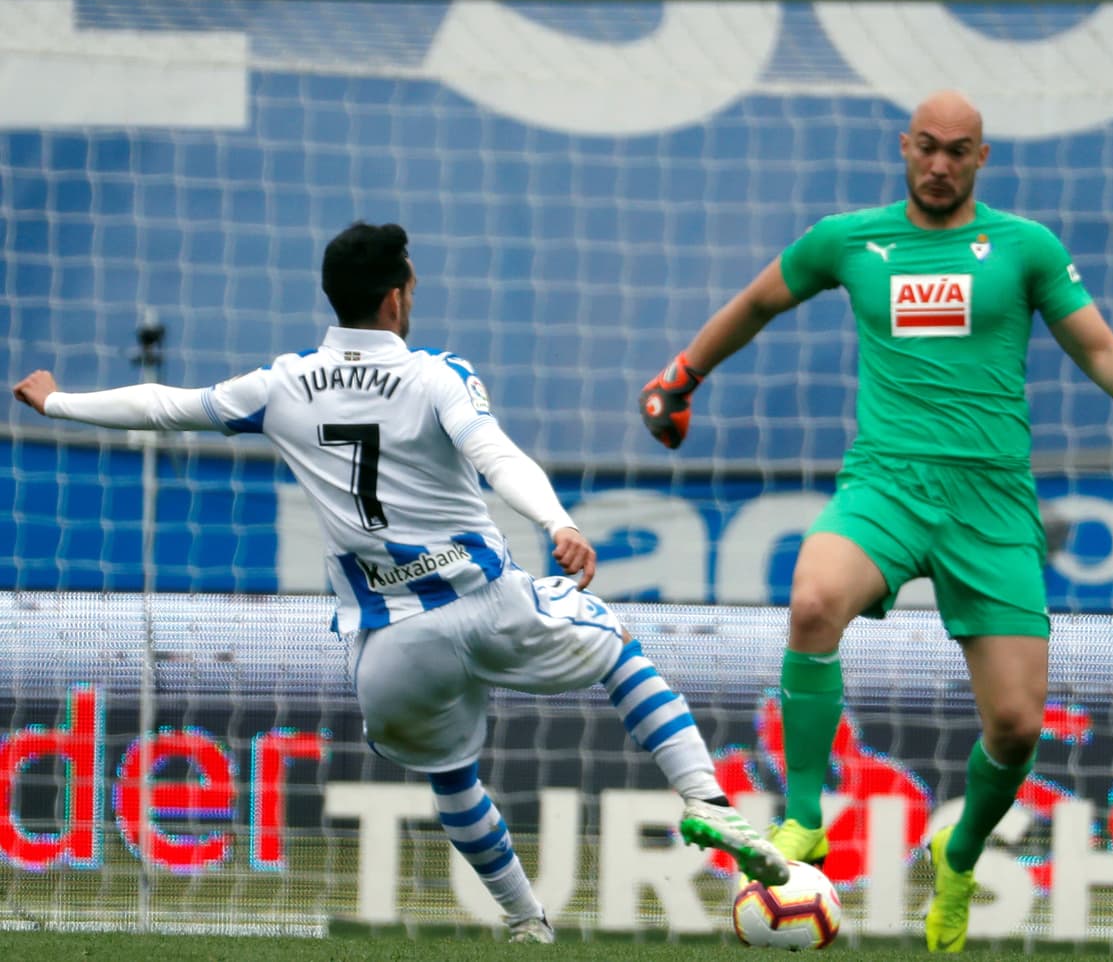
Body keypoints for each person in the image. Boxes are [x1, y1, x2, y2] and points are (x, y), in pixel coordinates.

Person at [14, 220, 789, 943]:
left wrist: (57, 401)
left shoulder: (282, 386)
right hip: (488, 603)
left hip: (390, 647)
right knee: (621, 654)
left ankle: (526, 923)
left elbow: (165, 407)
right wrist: (558, 522)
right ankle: (711, 805)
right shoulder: (435, 375)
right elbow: (495, 453)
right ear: (395, 297)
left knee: (451, 773)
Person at [638, 90, 1113, 953]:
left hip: (991, 502)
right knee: (811, 603)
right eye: (929, 148)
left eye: (960, 151)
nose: (941, 164)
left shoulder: (1025, 248)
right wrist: (681, 375)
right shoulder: (850, 240)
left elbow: (1097, 345)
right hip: (889, 482)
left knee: (1017, 727)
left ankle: (960, 849)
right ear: (904, 147)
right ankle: (802, 824)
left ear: (983, 158)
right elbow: (756, 303)